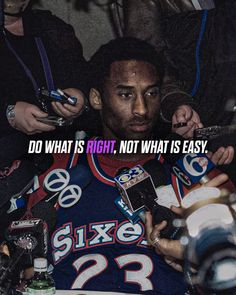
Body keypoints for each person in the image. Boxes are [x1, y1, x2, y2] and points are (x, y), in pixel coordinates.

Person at [27, 37, 234, 294]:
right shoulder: (57, 168)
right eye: (125, 94)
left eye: (152, 93)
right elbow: (17, 259)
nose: (141, 109)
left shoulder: (190, 172)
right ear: (96, 98)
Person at [0, 0, 89, 167]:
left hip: (64, 151)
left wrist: (80, 96)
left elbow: (83, 74)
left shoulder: (50, 27)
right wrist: (8, 114)